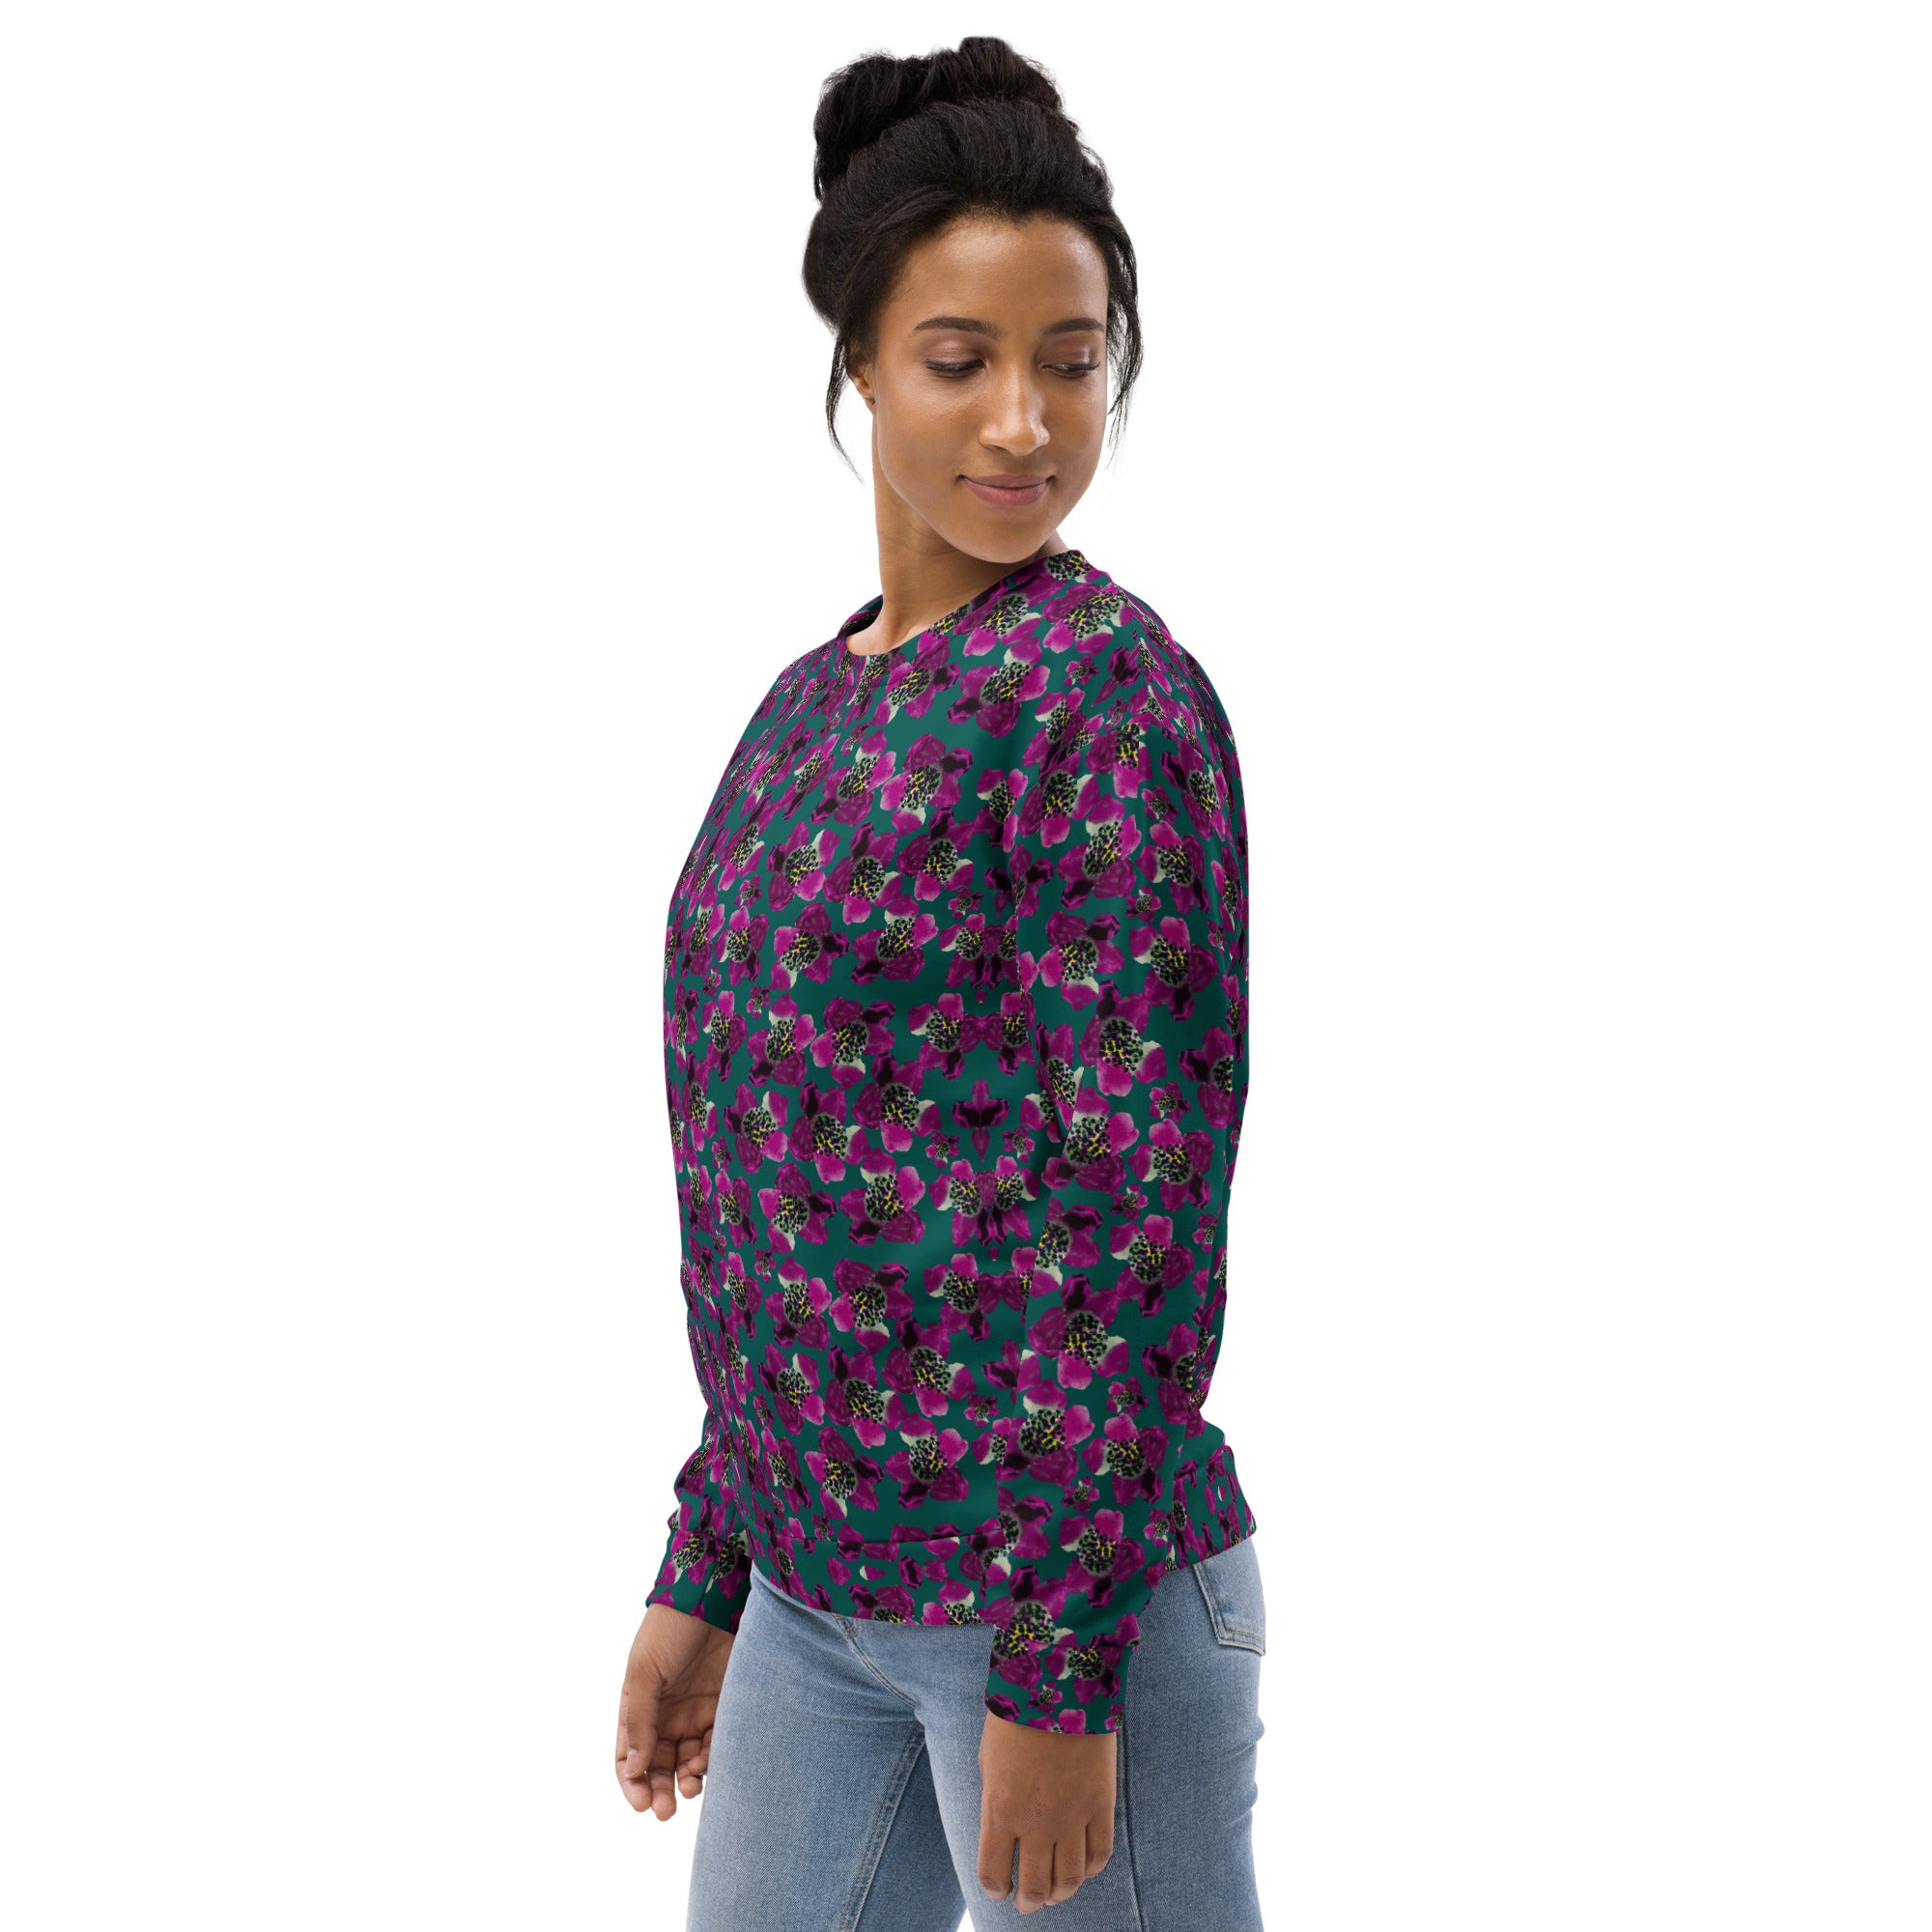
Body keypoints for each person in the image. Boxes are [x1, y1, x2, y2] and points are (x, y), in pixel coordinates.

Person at [614, 36, 1266, 1929]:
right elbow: (757, 1173)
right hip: (813, 1602)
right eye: (960, 361)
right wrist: (710, 1553)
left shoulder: (1106, 703)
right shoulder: (803, 711)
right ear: (860, 367)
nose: (1025, 425)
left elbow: (1138, 1215)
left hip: (1062, 1613)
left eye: (1073, 360)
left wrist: (1057, 1666)